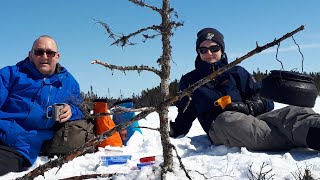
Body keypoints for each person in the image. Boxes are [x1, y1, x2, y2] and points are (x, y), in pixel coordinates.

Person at [170, 28, 320, 152]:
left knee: (294, 112)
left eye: (214, 48)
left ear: (221, 49)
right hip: (222, 127)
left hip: (256, 120)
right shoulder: (190, 81)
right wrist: (174, 130)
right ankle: (300, 137)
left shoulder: (237, 72)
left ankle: (314, 129)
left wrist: (248, 106)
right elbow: (185, 112)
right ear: (198, 52)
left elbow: (266, 101)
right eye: (203, 50)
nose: (209, 53)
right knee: (228, 119)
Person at [0, 35, 83, 175]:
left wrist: (72, 111)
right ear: (30, 55)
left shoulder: (69, 83)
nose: (44, 56)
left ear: (57, 56)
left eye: (49, 53)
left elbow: (81, 109)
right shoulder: (10, 74)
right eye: (39, 52)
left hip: (20, 146)